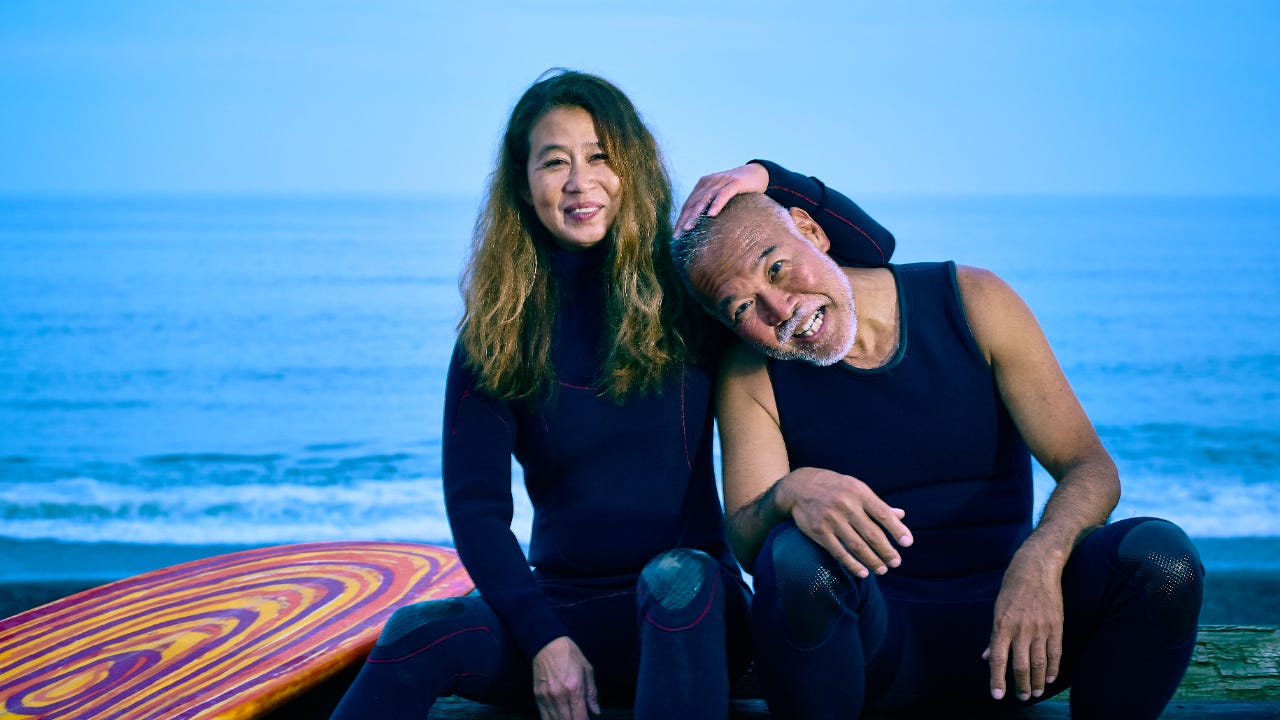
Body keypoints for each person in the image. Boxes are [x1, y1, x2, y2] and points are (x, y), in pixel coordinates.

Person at [329, 70, 896, 720]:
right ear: (524, 185)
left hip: (697, 605)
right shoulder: (498, 331)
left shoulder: (685, 297)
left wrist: (766, 177)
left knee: (677, 580)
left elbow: (872, 252)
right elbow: (476, 508)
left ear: (633, 168)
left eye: (600, 156)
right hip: (561, 612)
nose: (580, 181)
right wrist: (544, 641)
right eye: (554, 162)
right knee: (416, 633)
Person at [669, 192, 1205, 719]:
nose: (781, 308)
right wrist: (790, 492)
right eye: (743, 307)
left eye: (777, 269)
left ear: (811, 231)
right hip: (874, 651)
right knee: (793, 558)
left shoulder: (973, 301)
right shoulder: (752, 373)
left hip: (1020, 639)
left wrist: (1042, 560)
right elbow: (749, 542)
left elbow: (1089, 467)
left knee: (1162, 557)